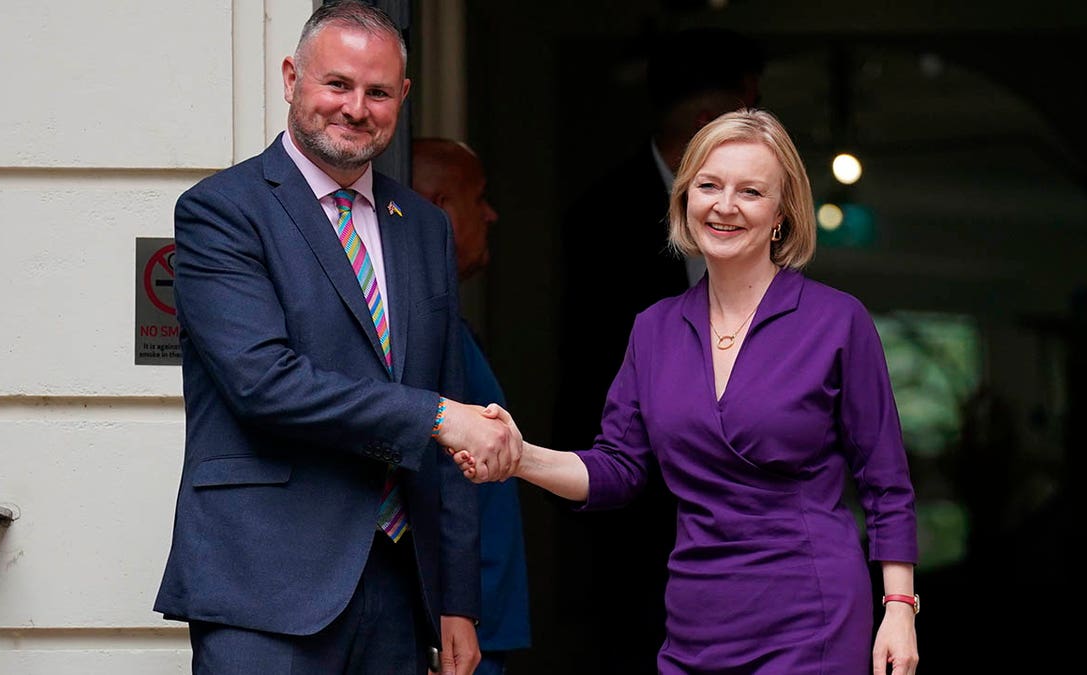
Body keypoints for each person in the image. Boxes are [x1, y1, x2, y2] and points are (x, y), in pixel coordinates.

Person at [463, 108, 920, 674]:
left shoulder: (836, 322)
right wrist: (520, 457)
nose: (724, 205)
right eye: (708, 185)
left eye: (750, 191)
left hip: (812, 614)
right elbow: (618, 470)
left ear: (782, 214)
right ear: (684, 199)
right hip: (695, 618)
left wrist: (899, 608)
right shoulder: (653, 329)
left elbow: (886, 481)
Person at [153, 3, 520, 674]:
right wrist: (436, 417)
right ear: (292, 77)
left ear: (402, 99)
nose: (356, 107)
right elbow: (265, 384)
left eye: (377, 92)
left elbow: (448, 417)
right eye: (337, 84)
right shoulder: (223, 212)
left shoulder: (424, 229)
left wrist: (458, 599)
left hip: (397, 588)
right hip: (264, 589)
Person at [551, 27, 766, 673]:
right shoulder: (604, 215)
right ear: (707, 120)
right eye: (749, 113)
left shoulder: (765, 213)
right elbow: (593, 366)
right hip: (639, 506)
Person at [412, 138, 532, 675]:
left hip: (481, 621)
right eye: (476, 197)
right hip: (452, 633)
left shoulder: (450, 325)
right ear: (438, 209)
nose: (491, 213)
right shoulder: (413, 332)